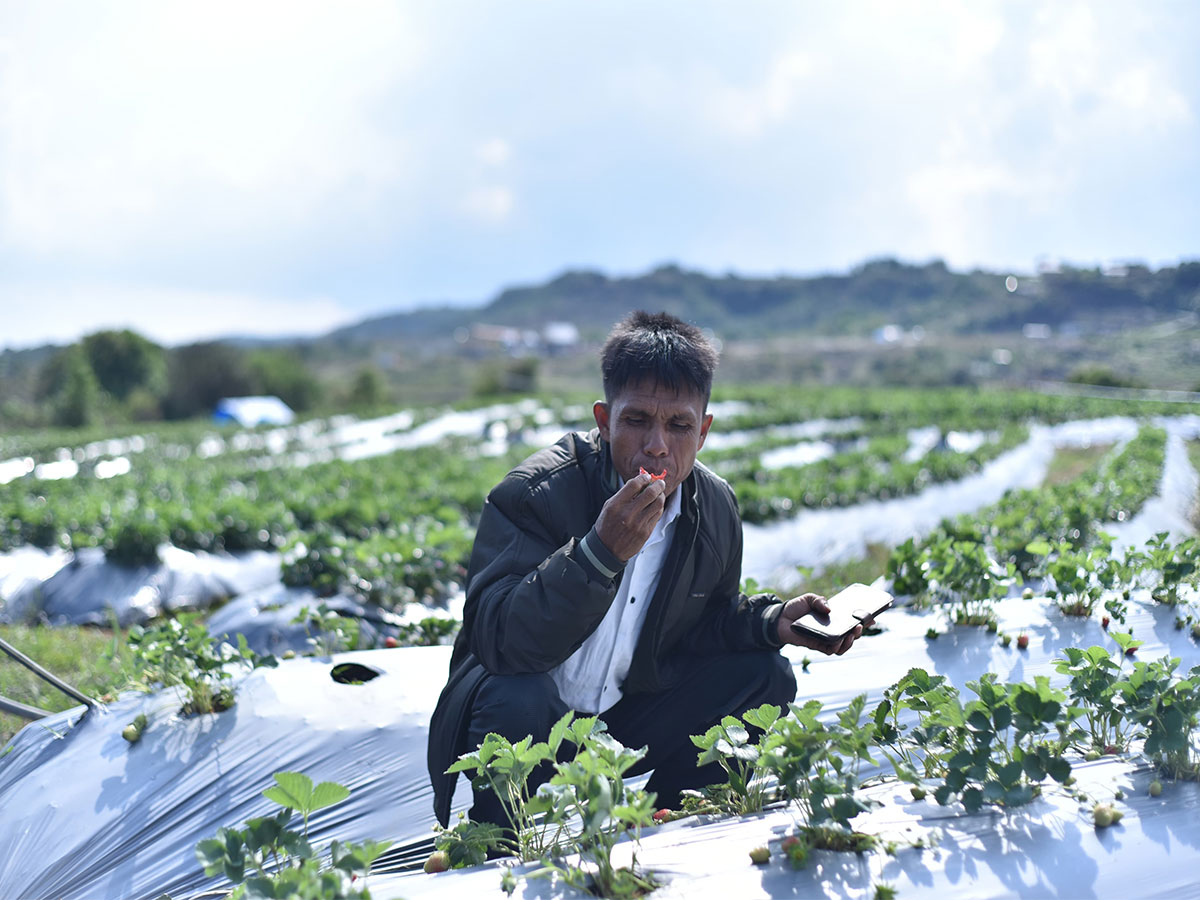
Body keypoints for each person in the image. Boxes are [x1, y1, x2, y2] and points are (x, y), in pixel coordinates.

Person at [427, 310, 868, 828]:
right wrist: (598, 554)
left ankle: (676, 821)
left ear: (702, 432)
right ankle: (500, 841)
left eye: (678, 425)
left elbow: (708, 627)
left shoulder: (715, 509)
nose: (657, 445)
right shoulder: (538, 493)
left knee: (764, 674)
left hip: (627, 708)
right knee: (515, 696)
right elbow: (497, 639)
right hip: (532, 716)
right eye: (636, 420)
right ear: (603, 420)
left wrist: (771, 622)